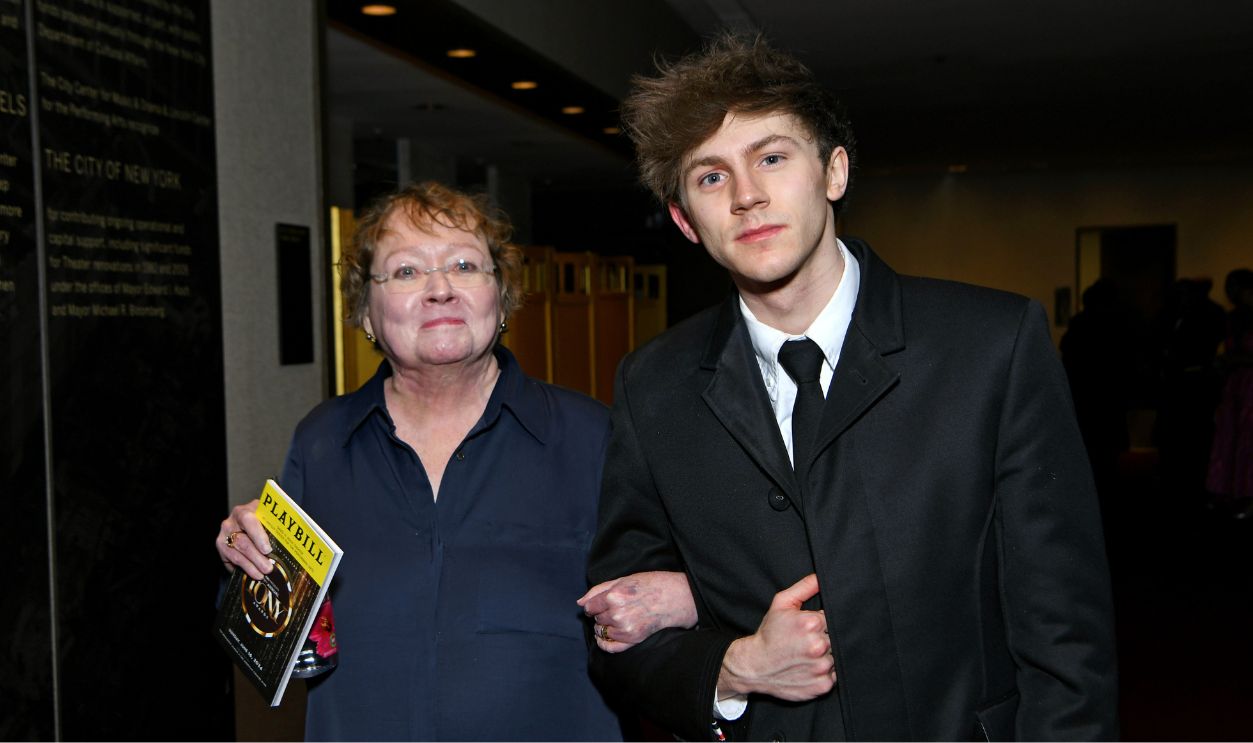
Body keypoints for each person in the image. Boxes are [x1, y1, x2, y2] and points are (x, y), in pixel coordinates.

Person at [579, 33, 1118, 741]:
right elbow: (620, 637)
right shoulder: (655, 384)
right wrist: (733, 666)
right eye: (710, 177)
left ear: (832, 172)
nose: (746, 195)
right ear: (684, 219)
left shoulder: (990, 344)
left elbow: (1064, 630)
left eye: (771, 157)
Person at [216, 182, 634, 741]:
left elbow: (661, 624)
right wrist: (247, 564)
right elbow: (278, 644)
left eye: (464, 265)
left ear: (502, 296)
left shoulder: (590, 435)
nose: (440, 290)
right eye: (408, 272)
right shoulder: (323, 442)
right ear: (366, 310)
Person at [1206, 268, 1253, 517]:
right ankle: (1229, 491)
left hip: (1249, 389)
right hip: (1234, 388)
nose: (1231, 293)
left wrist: (1237, 360)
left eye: (1235, 286)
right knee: (1230, 438)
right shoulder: (1234, 318)